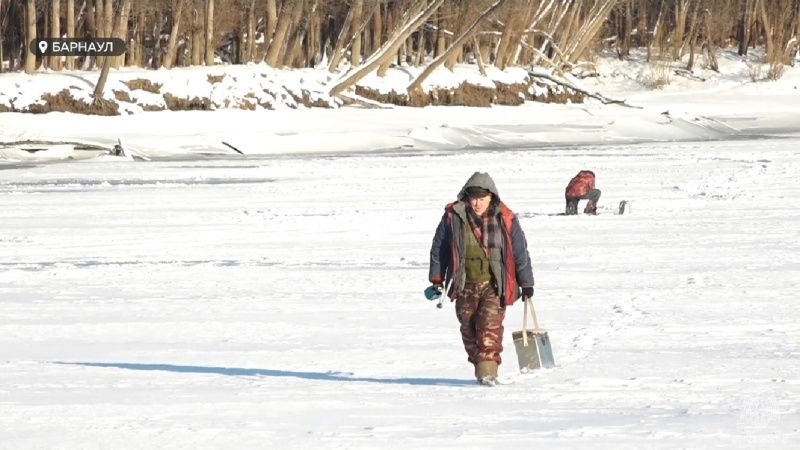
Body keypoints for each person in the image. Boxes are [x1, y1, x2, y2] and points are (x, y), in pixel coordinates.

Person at [427, 172, 535, 386]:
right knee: (468, 329)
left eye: (482, 199)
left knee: (489, 329)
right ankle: (481, 365)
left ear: (491, 197)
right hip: (464, 283)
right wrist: (437, 279)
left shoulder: (505, 217)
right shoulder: (453, 217)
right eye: (473, 198)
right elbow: (439, 248)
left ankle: (488, 373)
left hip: (494, 285)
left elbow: (519, 250)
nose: (477, 204)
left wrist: (526, 282)